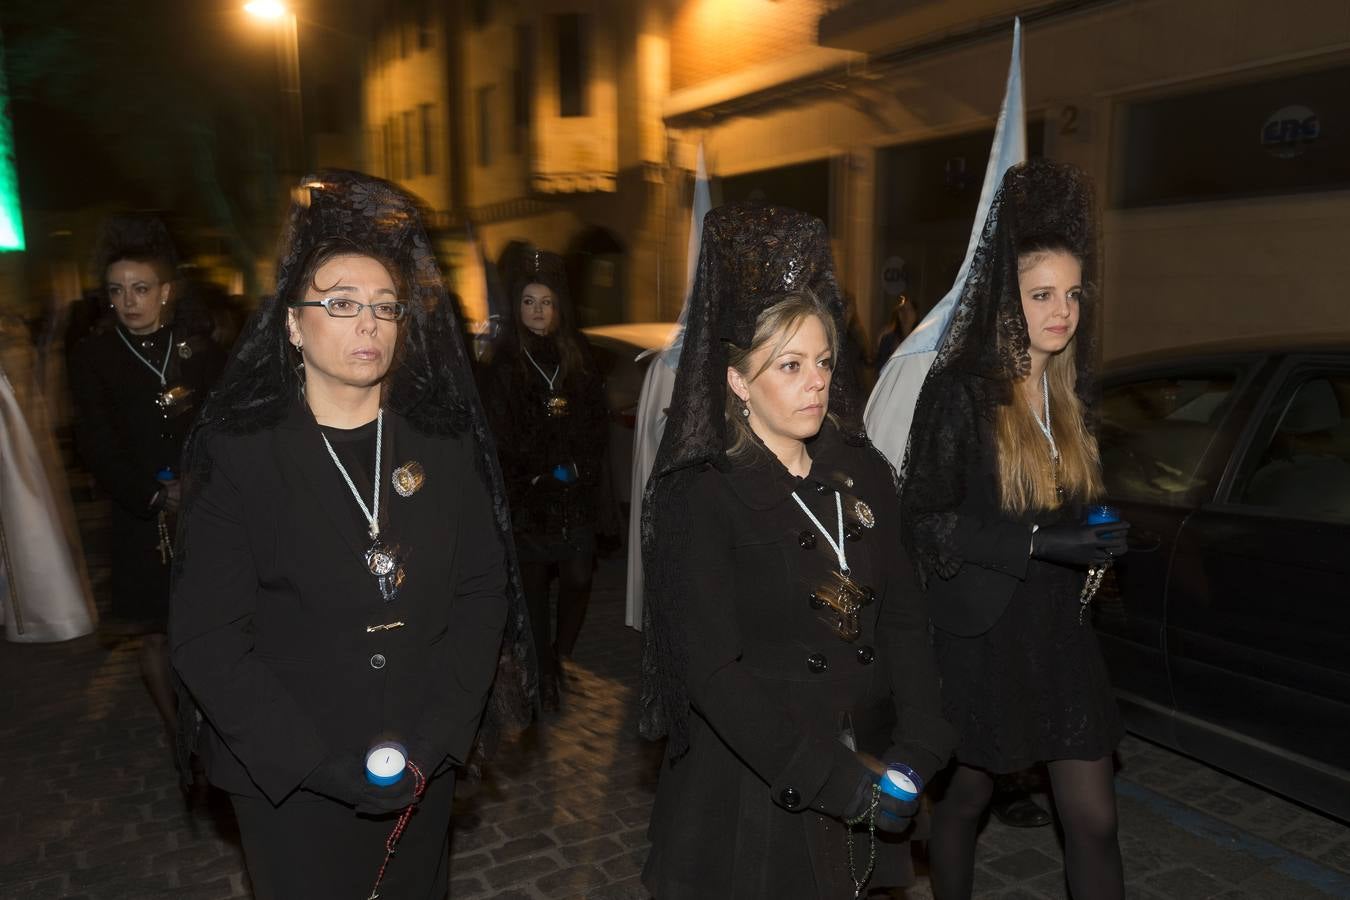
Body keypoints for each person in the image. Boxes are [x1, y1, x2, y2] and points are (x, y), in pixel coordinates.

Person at [169, 171, 532, 899]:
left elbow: (482, 592)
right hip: (290, 779)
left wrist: (439, 737)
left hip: (424, 756)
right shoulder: (243, 456)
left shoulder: (442, 443)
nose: (367, 323)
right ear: (295, 326)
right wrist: (314, 765)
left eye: (384, 307)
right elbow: (207, 640)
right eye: (340, 304)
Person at [639, 203, 956, 899]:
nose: (815, 380)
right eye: (788, 365)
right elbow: (713, 674)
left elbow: (903, 612)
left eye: (822, 360)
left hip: (869, 756)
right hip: (762, 779)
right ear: (736, 381)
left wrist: (922, 741)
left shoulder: (862, 470)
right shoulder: (705, 494)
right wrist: (836, 783)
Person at [898, 160, 1130, 900]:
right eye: (1042, 294)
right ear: (1009, 298)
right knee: (966, 798)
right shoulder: (963, 392)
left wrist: (1097, 525)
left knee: (1093, 818)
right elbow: (925, 519)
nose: (1062, 311)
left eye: (1072, 294)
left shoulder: (1069, 389)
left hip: (1060, 630)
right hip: (981, 635)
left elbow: (1077, 494)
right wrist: (1032, 544)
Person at [68, 215, 225, 732]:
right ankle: (176, 732)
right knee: (155, 633)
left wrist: (200, 484)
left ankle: (219, 720)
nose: (128, 301)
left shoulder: (200, 346)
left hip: (206, 510)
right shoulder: (95, 356)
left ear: (166, 291)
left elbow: (226, 422)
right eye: (116, 291)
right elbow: (94, 441)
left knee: (212, 623)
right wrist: (152, 496)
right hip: (141, 516)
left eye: (140, 288)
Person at [479, 249, 607, 710]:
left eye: (546, 302)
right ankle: (543, 671)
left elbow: (595, 420)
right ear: (518, 307)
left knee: (576, 577)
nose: (537, 310)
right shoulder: (503, 363)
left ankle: (562, 655)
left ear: (558, 308)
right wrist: (532, 475)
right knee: (532, 588)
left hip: (573, 492)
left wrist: (579, 466)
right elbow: (498, 431)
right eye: (529, 301)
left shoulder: (577, 357)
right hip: (529, 496)